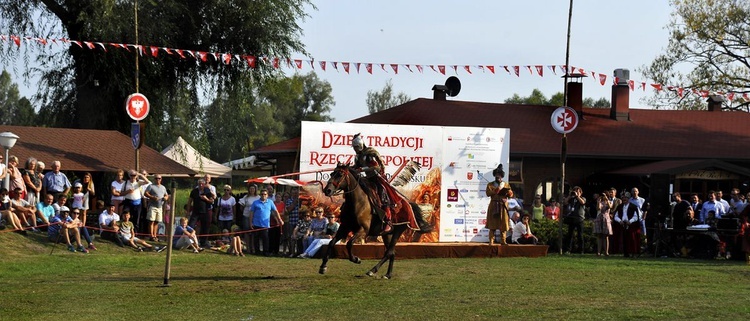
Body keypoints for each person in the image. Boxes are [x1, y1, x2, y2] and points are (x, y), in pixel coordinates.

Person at [351, 133, 392, 232]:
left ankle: (388, 220)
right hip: (366, 179)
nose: (355, 149)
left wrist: (362, 169)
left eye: (356, 147)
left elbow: (376, 167)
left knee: (382, 194)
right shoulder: (358, 156)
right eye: (354, 147)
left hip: (377, 178)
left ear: (360, 145)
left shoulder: (369, 154)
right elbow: (356, 167)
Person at [248, 189, 283, 256]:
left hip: (265, 225)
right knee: (256, 239)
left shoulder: (270, 202)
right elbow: (251, 213)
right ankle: (257, 252)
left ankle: (265, 252)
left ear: (267, 195)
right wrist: (250, 222)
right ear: (260, 195)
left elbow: (276, 211)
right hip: (256, 224)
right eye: (262, 194)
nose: (263, 195)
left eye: (265, 194)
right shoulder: (255, 203)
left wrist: (280, 220)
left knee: (266, 239)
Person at [485, 164, 511, 245]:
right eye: (496, 175)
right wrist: (495, 191)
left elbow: (511, 194)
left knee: (503, 224)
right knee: (492, 224)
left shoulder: (506, 184)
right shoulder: (490, 184)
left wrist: (508, 193)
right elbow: (488, 193)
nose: (498, 176)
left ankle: (503, 241)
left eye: (499, 175)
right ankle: (491, 241)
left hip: (503, 205)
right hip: (494, 205)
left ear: (501, 176)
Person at [187, 178, 214, 247]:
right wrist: (188, 211)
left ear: (204, 184)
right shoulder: (194, 191)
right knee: (191, 225)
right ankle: (190, 241)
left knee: (205, 227)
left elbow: (211, 201)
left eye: (202, 184)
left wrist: (206, 199)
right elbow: (190, 201)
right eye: (199, 184)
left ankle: (204, 242)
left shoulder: (207, 191)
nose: (201, 185)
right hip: (195, 211)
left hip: (205, 212)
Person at [144, 174, 168, 242]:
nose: (158, 180)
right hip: (152, 206)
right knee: (151, 221)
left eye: (159, 178)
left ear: (161, 179)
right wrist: (152, 197)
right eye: (156, 178)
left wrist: (166, 197)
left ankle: (155, 235)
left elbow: (166, 195)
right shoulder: (151, 186)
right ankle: (151, 236)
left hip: (160, 206)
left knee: (157, 222)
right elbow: (145, 193)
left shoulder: (163, 187)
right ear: (154, 179)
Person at [563, 186, 587, 254]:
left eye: (577, 191)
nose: (576, 192)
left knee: (580, 235)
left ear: (580, 192)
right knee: (570, 235)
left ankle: (581, 250)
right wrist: (570, 196)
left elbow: (582, 202)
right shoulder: (571, 199)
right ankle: (568, 249)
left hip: (580, 219)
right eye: (575, 191)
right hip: (572, 218)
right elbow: (565, 202)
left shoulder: (583, 198)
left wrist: (577, 196)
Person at [238, 184, 259, 253]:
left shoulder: (258, 197)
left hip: (255, 217)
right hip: (246, 216)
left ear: (255, 189)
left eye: (253, 188)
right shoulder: (246, 197)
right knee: (246, 232)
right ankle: (248, 248)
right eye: (251, 188)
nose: (252, 190)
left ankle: (253, 247)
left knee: (253, 232)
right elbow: (241, 206)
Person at [594, 192, 613, 256]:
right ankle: (598, 251)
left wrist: (607, 199)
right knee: (599, 235)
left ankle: (606, 251)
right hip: (599, 218)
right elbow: (598, 208)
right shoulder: (600, 202)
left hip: (606, 219)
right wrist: (598, 202)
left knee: (606, 236)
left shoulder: (609, 201)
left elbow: (610, 207)